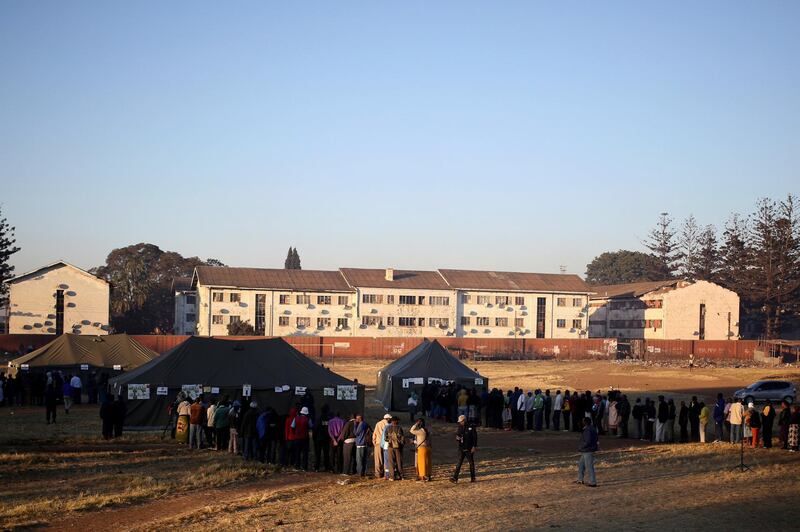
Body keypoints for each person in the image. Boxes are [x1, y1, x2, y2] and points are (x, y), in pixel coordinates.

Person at [450, 414, 477, 483]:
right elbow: (458, 435)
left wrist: (474, 446)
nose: (460, 423)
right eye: (459, 422)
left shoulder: (471, 427)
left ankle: (473, 478)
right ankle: (455, 478)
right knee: (459, 464)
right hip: (461, 448)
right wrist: (457, 438)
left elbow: (475, 438)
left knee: (471, 463)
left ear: (464, 420)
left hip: (469, 448)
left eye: (461, 421)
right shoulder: (459, 427)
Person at [576, 417, 598, 487]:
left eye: (583, 421)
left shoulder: (588, 430)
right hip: (588, 450)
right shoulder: (592, 428)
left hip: (588, 450)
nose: (581, 423)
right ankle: (580, 479)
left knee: (589, 467)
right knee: (581, 465)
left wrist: (581, 447)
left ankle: (593, 482)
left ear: (585, 422)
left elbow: (587, 441)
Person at [385, 416, 405, 481]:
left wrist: (390, 441)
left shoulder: (388, 428)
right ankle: (401, 475)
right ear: (396, 421)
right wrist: (401, 445)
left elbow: (385, 438)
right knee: (399, 461)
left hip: (390, 447)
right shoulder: (399, 428)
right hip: (398, 447)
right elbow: (402, 438)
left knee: (391, 462)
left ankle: (392, 476)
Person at [314, 405, 333, 472]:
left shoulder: (318, 419)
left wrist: (315, 438)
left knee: (318, 454)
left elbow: (315, 429)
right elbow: (329, 429)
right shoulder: (329, 419)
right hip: (326, 439)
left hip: (319, 438)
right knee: (326, 454)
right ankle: (327, 467)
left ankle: (317, 468)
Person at [373, 413, 391, 478]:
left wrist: (374, 442)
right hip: (386, 444)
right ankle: (386, 474)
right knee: (386, 459)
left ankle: (378, 474)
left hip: (378, 443)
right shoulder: (389, 424)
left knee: (378, 460)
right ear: (388, 419)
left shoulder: (378, 423)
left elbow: (374, 434)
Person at [294, 406, 311, 470]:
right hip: (305, 438)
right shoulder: (308, 419)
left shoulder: (296, 418)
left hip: (297, 438)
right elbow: (311, 426)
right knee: (305, 453)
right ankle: (304, 467)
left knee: (297, 452)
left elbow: (293, 426)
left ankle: (297, 466)